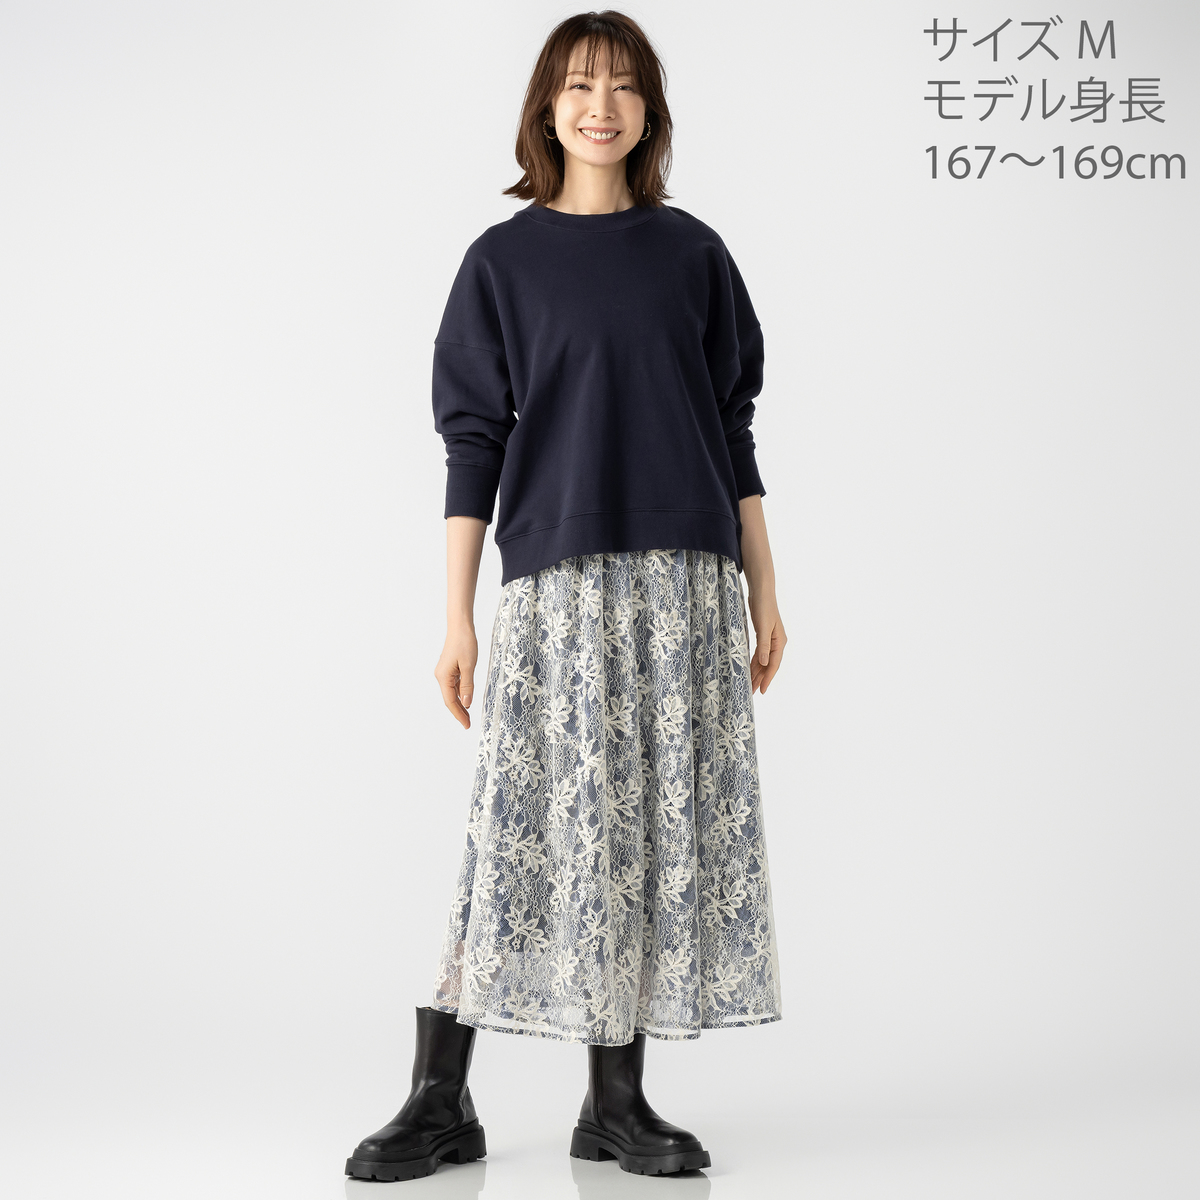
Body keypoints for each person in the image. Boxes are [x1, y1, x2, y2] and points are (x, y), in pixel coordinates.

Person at [345, 9, 786, 1182]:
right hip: (556, 585)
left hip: (687, 580)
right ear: (546, 106)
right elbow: (472, 441)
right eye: (580, 84)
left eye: (625, 86)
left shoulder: (694, 255)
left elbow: (732, 428)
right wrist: (457, 617)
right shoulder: (503, 263)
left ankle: (616, 1105)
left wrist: (766, 586)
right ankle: (440, 1098)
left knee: (642, 837)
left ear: (651, 111)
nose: (602, 106)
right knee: (522, 831)